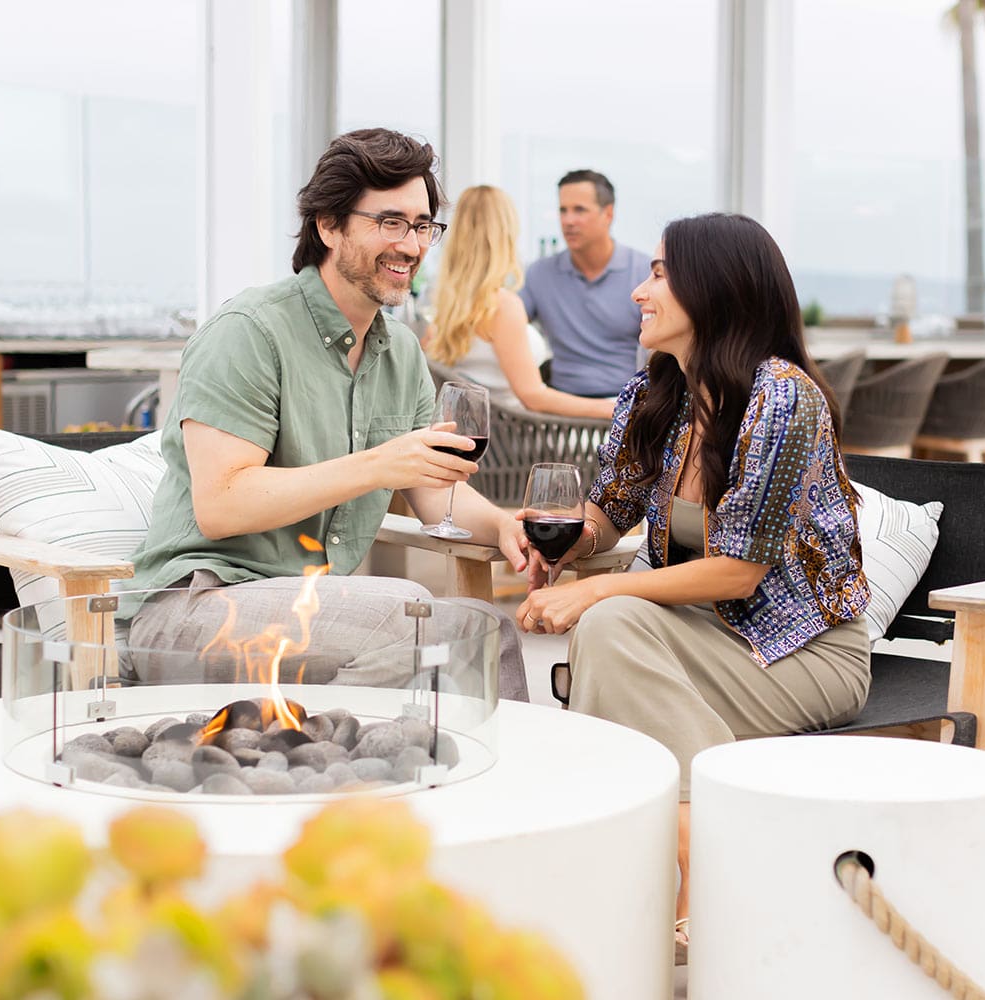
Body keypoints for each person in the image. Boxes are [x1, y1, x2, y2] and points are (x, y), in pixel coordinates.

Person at [514, 213, 872, 957]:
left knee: (607, 625)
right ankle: (699, 866)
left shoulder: (782, 398)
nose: (640, 292)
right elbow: (607, 514)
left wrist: (594, 590)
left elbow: (741, 569)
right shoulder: (659, 394)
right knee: (610, 631)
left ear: (715, 289)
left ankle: (693, 874)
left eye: (659, 274)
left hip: (804, 652)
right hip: (706, 638)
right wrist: (561, 538)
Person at [125, 128, 531, 701]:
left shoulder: (402, 351)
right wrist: (378, 465)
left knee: (460, 634)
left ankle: (342, 768)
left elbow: (435, 489)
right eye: (390, 222)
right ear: (328, 226)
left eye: (421, 227)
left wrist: (501, 525)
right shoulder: (249, 332)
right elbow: (221, 504)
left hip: (311, 610)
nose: (412, 246)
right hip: (196, 609)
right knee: (450, 629)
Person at [423, 185, 615, 420]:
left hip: (488, 438)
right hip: (520, 439)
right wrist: (616, 409)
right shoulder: (501, 305)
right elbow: (533, 397)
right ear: (505, 234)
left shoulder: (448, 305)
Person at [521, 169, 651, 399]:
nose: (568, 221)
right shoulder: (539, 273)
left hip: (627, 405)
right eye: (563, 210)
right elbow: (502, 324)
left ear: (608, 214)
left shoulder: (644, 273)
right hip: (559, 411)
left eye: (579, 210)